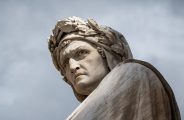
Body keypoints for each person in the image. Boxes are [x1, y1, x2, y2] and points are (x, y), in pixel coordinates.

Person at [48, 16, 180, 120]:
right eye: (65, 63)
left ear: (105, 54)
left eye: (81, 53)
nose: (72, 66)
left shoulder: (134, 74)